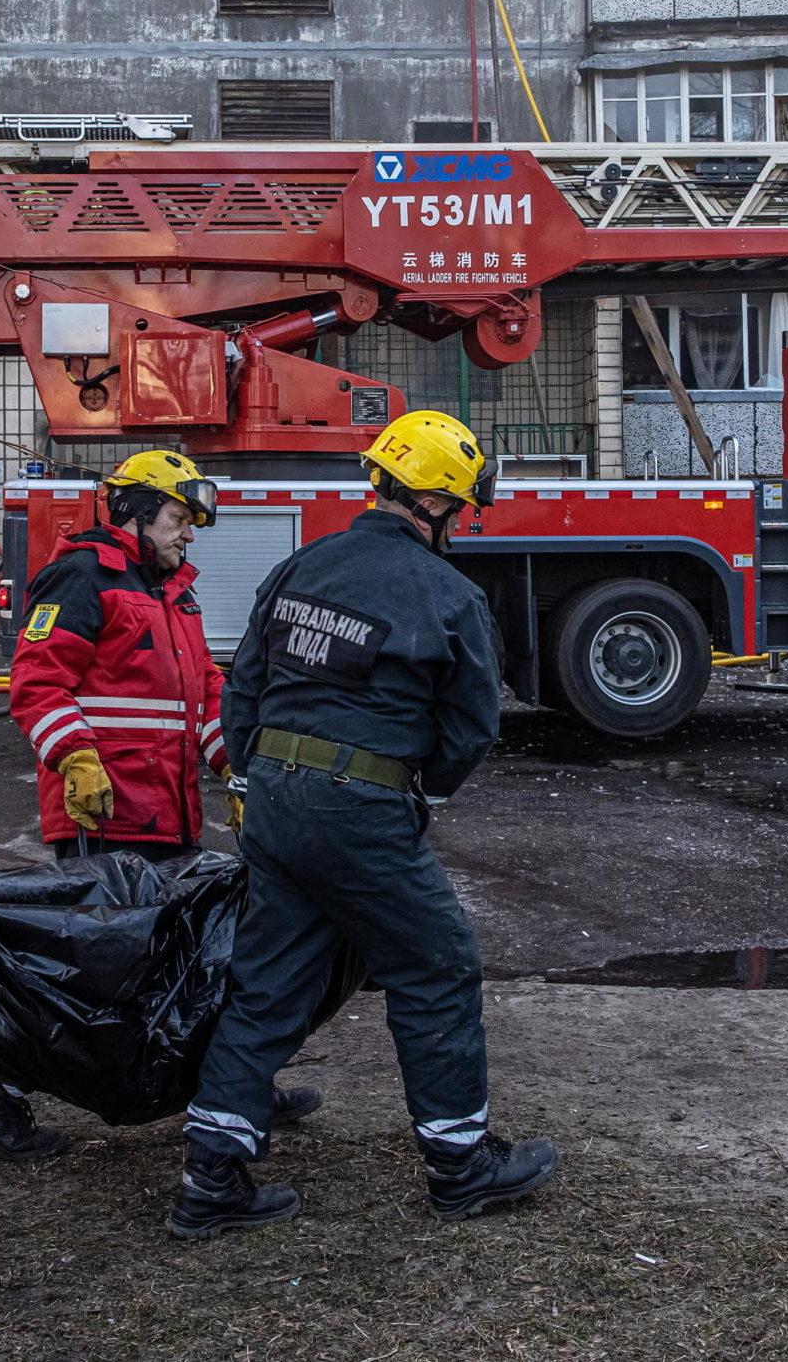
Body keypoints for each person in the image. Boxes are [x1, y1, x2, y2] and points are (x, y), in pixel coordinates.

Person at [169, 411, 554, 1239]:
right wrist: (418, 794)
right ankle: (460, 1165)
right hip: (360, 808)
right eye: (462, 508)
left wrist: (256, 779)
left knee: (268, 983)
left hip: (274, 802)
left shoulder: (299, 566)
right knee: (436, 967)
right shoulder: (448, 594)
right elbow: (471, 727)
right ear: (437, 503)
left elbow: (245, 686)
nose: (461, 522)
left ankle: (212, 1176)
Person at [0, 450, 313, 1163]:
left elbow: (205, 695)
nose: (188, 534)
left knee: (192, 959)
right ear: (134, 512)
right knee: (87, 974)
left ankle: (236, 1085)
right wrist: (76, 758)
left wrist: (234, 769)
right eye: (178, 518)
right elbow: (36, 684)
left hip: (165, 811)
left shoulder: (173, 590)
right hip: (104, 813)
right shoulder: (83, 576)